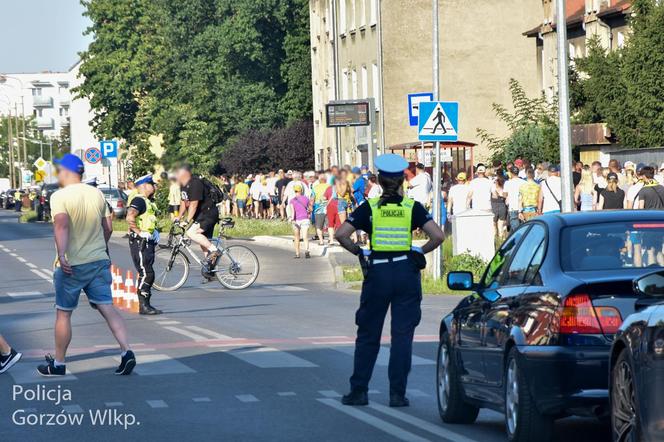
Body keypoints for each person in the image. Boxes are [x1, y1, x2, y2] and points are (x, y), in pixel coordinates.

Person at [335, 153, 444, 408]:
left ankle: (359, 391)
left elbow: (342, 234)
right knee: (402, 336)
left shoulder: (370, 208)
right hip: (406, 274)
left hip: (378, 274)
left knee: (368, 334)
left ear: (381, 181)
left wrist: (360, 253)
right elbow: (438, 236)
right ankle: (397, 394)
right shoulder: (412, 208)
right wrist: (419, 251)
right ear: (402, 181)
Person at [39, 154, 134, 376]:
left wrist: (62, 255)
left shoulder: (60, 197)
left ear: (67, 172)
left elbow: (61, 225)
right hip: (98, 261)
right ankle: (126, 351)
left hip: (72, 265)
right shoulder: (97, 194)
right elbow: (108, 227)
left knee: (63, 314)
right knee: (107, 307)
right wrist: (100, 248)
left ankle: (59, 364)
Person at [126, 175, 162, 315]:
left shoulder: (148, 202)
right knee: (147, 273)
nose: (154, 187)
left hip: (147, 241)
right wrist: (139, 232)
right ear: (145, 185)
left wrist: (155, 232)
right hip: (140, 241)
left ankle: (146, 304)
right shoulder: (139, 200)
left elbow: (147, 220)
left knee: (147, 272)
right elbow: (130, 216)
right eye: (152, 184)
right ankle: (143, 305)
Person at [176, 164, 221, 277]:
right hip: (201, 215)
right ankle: (210, 270)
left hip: (208, 213)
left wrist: (187, 220)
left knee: (191, 232)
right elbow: (183, 201)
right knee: (203, 242)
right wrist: (178, 216)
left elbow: (193, 204)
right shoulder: (183, 184)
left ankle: (215, 251)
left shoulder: (195, 183)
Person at [289, 184, 311, 259]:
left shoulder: (292, 200)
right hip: (305, 219)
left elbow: (293, 212)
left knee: (296, 237)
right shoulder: (306, 199)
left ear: (294, 191)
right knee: (305, 237)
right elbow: (310, 208)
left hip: (297, 220)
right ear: (301, 190)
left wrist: (292, 219)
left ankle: (297, 254)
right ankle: (307, 250)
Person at [312, 172, 331, 246]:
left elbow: (312, 198)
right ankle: (330, 239)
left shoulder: (315, 188)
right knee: (330, 225)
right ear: (326, 180)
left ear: (319, 180)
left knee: (319, 226)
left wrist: (310, 206)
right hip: (329, 208)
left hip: (318, 209)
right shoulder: (330, 186)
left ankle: (321, 241)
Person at [504, 166, 524, 231]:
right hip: (522, 207)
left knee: (516, 230)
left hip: (512, 207)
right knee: (523, 228)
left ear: (511, 173)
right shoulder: (524, 182)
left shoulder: (507, 183)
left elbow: (504, 194)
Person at [491, 174, 508, 239]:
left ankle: (495, 237)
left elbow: (494, 195)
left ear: (497, 182)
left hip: (495, 207)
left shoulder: (493, 189)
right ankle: (500, 237)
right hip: (502, 206)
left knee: (494, 224)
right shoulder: (504, 189)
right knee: (500, 224)